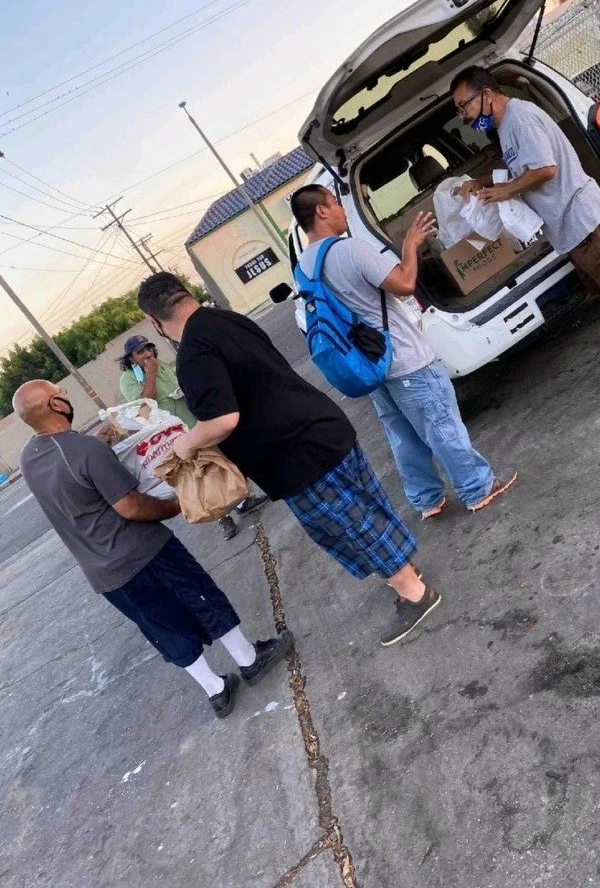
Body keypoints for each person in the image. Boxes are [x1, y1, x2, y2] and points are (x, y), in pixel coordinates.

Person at [136, 272, 441, 648]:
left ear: (155, 321)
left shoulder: (194, 353)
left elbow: (222, 419)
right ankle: (407, 571)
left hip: (294, 455)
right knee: (367, 506)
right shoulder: (229, 319)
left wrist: (183, 446)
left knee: (352, 524)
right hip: (322, 425)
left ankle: (414, 592)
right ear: (185, 294)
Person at [14, 380, 291, 719]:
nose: (67, 398)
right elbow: (130, 506)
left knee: (163, 627)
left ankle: (215, 691)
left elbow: (71, 473)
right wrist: (177, 505)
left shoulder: (29, 459)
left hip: (105, 575)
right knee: (201, 596)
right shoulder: (85, 451)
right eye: (63, 394)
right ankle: (250, 660)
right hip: (145, 551)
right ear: (56, 405)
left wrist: (93, 447)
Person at [290, 184, 517, 519]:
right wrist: (410, 245)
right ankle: (477, 488)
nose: (342, 209)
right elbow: (404, 283)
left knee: (403, 436)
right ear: (321, 212)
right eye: (336, 203)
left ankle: (427, 501)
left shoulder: (303, 267)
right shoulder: (350, 249)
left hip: (367, 364)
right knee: (441, 425)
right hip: (403, 358)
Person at [451, 66, 600, 382]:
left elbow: (545, 169)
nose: (463, 115)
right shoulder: (505, 126)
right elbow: (516, 165)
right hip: (568, 226)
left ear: (487, 95)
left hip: (583, 215)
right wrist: (481, 182)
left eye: (464, 105)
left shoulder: (521, 118)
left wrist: (504, 191)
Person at [118, 334, 266, 541]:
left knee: (218, 462)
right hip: (169, 436)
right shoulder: (128, 379)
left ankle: (241, 501)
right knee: (196, 476)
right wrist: (150, 375)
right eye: (141, 352)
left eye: (149, 348)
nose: (148, 354)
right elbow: (143, 408)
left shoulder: (161, 364)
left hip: (190, 421)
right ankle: (222, 519)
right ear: (131, 358)